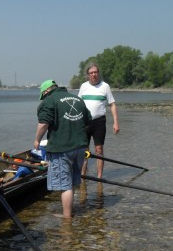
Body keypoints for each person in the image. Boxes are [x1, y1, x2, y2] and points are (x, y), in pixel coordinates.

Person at [34, 79, 92, 218]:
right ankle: (70, 211)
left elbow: (43, 123)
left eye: (44, 95)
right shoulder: (77, 99)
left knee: (64, 185)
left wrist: (37, 140)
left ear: (47, 91)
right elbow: (88, 120)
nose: (44, 98)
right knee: (71, 181)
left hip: (61, 149)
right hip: (80, 147)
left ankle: (67, 217)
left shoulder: (50, 101)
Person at [78, 62, 119, 178]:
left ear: (98, 73)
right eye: (91, 73)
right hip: (84, 122)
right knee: (84, 151)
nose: (93, 74)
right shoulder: (84, 86)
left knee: (99, 150)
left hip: (99, 122)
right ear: (88, 75)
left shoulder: (105, 86)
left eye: (95, 72)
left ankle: (99, 177)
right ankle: (82, 177)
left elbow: (112, 104)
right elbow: (77, 104)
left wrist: (116, 122)